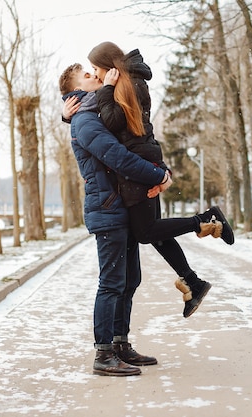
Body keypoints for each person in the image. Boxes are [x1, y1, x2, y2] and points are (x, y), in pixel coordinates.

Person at [64, 41, 234, 319]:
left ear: (109, 67)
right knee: (154, 232)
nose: (96, 74)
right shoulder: (126, 83)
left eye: (96, 68)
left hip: (138, 166)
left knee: (146, 232)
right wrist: (68, 115)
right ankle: (192, 280)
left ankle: (206, 220)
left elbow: (112, 123)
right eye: (91, 72)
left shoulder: (126, 85)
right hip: (143, 162)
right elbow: (109, 126)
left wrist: (104, 90)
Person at [59, 63, 171, 377]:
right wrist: (158, 174)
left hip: (120, 208)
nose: (95, 76)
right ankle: (103, 354)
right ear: (74, 92)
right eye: (87, 75)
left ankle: (121, 344)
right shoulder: (84, 121)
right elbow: (117, 156)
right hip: (107, 210)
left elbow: (130, 139)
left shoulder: (91, 116)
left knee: (129, 280)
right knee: (110, 284)